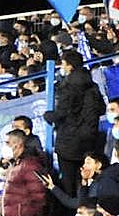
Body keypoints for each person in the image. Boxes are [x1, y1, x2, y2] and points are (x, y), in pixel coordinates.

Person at [42, 50, 105, 195]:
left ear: (70, 66)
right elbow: (101, 108)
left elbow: (61, 113)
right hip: (89, 140)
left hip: (68, 142)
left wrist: (49, 116)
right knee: (86, 179)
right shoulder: (93, 86)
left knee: (69, 182)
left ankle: (71, 207)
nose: (62, 67)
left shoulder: (68, 86)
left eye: (63, 64)